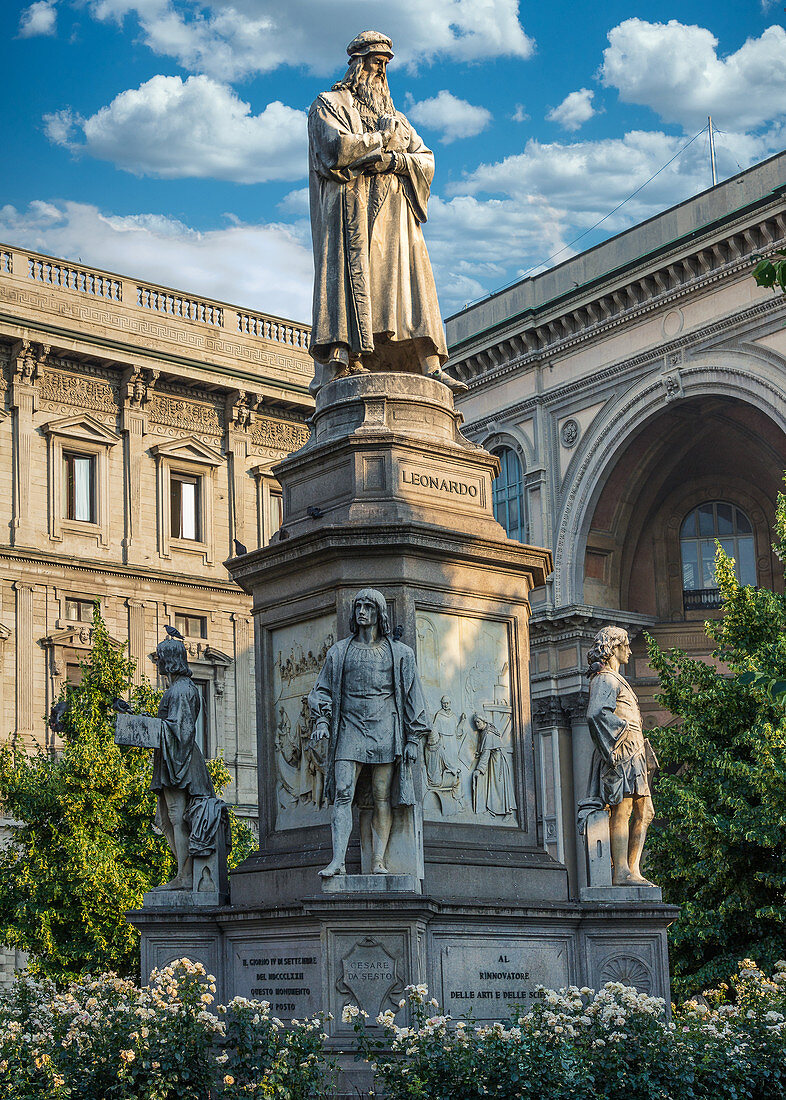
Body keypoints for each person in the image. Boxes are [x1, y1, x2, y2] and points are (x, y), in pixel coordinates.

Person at [307, 30, 466, 394]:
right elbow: (334, 150)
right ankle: (349, 358)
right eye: (375, 64)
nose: (380, 73)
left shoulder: (396, 117)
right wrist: (380, 140)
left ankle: (429, 364)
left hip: (397, 220)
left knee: (410, 288)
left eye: (385, 67)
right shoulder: (328, 105)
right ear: (358, 64)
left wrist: (394, 159)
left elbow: (426, 159)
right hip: (353, 218)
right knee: (356, 286)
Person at [308, 588, 430, 877]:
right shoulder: (339, 652)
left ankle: (378, 860)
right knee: (342, 792)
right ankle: (338, 860)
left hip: (385, 729)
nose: (362, 611)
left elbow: (414, 697)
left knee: (381, 797)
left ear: (379, 613)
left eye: (368, 607)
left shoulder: (400, 654)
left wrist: (412, 737)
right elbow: (320, 690)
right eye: (358, 606)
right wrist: (323, 721)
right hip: (349, 728)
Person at [581, 626, 657, 887]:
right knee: (622, 809)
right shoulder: (605, 679)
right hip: (622, 750)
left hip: (634, 751)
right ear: (613, 647)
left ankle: (633, 870)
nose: (630, 650)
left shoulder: (614, 678)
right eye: (626, 645)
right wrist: (620, 735)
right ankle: (621, 872)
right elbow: (595, 714)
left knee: (645, 811)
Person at [151, 634, 228, 890]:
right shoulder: (179, 688)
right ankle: (182, 873)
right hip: (175, 758)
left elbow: (181, 732)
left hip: (179, 761)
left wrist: (151, 727)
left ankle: (184, 877)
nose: (158, 661)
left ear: (169, 660)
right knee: (167, 819)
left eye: (161, 656)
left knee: (176, 817)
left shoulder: (181, 689)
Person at [471, 714, 516, 818]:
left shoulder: (488, 733)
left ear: (483, 721)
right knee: (494, 786)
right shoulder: (487, 730)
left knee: (499, 786)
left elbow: (486, 754)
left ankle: (507, 812)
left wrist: (479, 769)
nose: (476, 725)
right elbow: (486, 749)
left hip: (497, 762)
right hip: (494, 760)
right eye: (475, 723)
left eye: (478, 722)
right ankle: (494, 810)